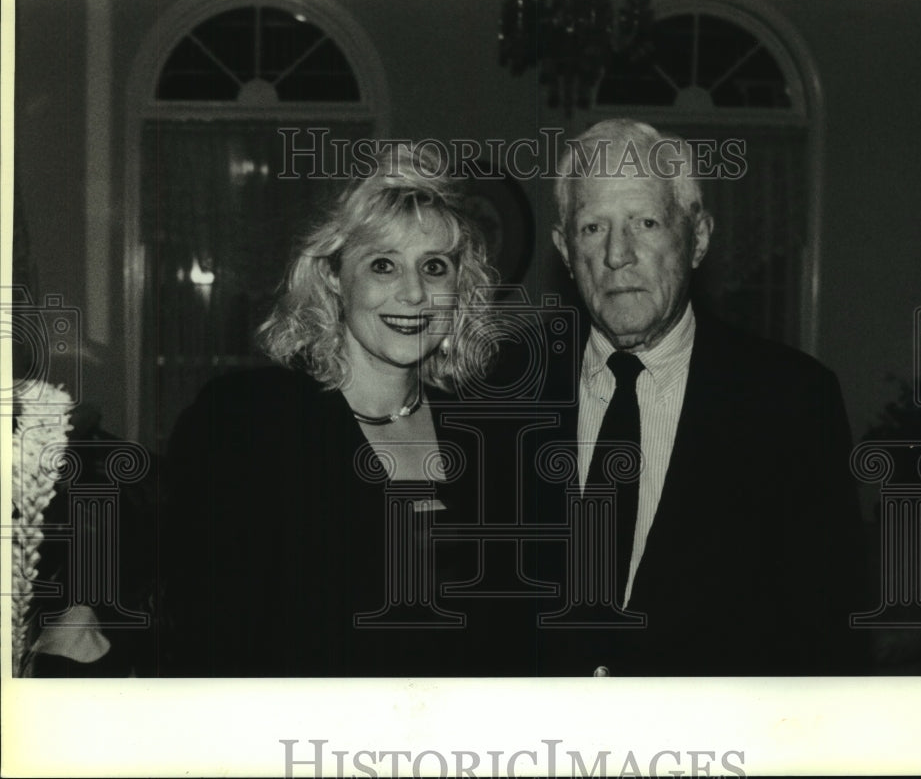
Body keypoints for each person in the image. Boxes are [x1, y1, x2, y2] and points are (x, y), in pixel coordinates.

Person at [497, 119, 870, 676]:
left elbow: (828, 640)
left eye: (645, 222)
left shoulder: (792, 401)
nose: (618, 254)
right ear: (565, 251)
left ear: (696, 238)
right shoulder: (503, 387)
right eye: (592, 227)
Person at [159, 144, 497, 676]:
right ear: (335, 278)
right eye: (383, 265)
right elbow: (205, 633)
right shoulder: (249, 423)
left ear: (459, 288)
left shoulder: (486, 435)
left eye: (434, 267)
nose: (413, 293)